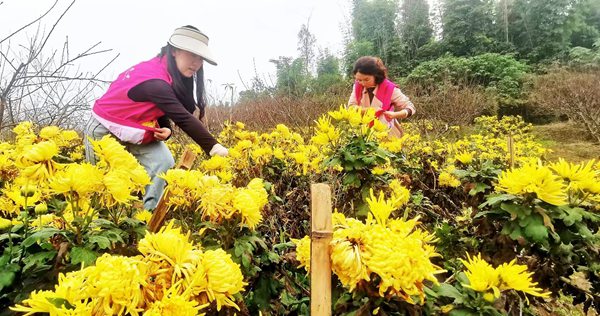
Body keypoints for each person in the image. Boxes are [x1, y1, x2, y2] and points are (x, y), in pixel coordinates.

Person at [84, 25, 228, 210]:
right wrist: (214, 147)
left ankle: (149, 214)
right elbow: (183, 117)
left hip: (136, 126)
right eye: (192, 55)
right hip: (103, 128)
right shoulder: (154, 79)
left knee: (163, 161)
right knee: (102, 185)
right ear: (174, 51)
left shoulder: (168, 71)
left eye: (200, 58)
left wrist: (165, 128)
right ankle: (98, 228)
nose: (197, 63)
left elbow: (159, 105)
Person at [348, 56, 416, 137]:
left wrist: (396, 114)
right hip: (363, 133)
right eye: (359, 80)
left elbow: (411, 108)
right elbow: (351, 108)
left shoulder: (390, 89)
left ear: (376, 76)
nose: (362, 83)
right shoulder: (357, 87)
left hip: (387, 133)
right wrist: (369, 110)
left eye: (366, 79)